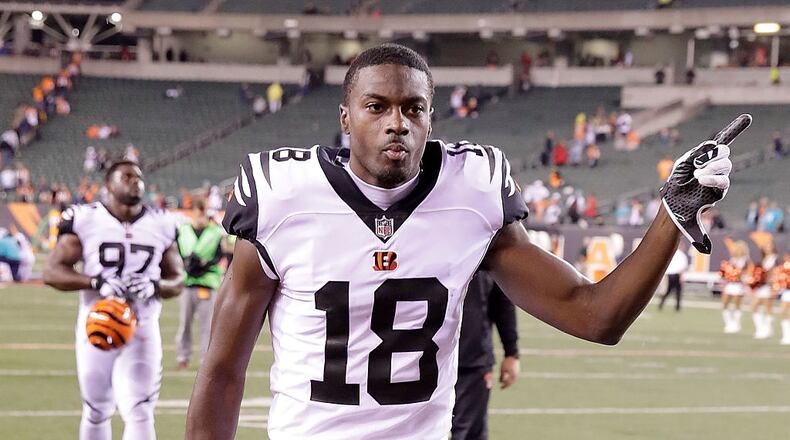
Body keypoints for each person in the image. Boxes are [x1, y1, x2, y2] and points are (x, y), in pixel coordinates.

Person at [185, 43, 735, 439]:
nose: (396, 123)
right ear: (346, 118)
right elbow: (223, 369)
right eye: (377, 107)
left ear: (431, 118)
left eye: (413, 108)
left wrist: (670, 216)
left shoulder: (471, 192)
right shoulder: (283, 197)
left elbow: (596, 317)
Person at [43, 160, 184, 440]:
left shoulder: (162, 223)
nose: (136, 182)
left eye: (139, 177)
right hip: (98, 322)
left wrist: (155, 286)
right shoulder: (86, 218)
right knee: (96, 408)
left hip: (142, 325)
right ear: (109, 185)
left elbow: (178, 279)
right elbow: (51, 272)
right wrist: (95, 282)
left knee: (140, 409)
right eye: (127, 176)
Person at [452, 270, 519, 440]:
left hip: (471, 360)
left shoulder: (483, 248)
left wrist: (512, 352)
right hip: (429, 363)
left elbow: (502, 300)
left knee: (469, 432)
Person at [175, 198, 225, 370]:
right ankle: (183, 357)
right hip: (187, 282)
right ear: (193, 213)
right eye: (198, 212)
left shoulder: (215, 232)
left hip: (207, 282)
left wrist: (204, 264)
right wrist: (186, 263)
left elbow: (219, 256)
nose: (200, 216)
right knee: (185, 324)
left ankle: (205, 361)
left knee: (207, 326)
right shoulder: (183, 231)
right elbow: (177, 253)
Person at [749, 241, 779, 339]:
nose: (767, 248)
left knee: (767, 308)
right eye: (766, 246)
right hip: (761, 286)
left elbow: (776, 273)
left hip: (769, 286)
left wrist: (774, 286)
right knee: (754, 306)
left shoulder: (775, 259)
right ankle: (760, 329)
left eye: (769, 246)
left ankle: (767, 330)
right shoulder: (764, 259)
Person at [719, 240, 750, 333]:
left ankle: (737, 324)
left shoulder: (745, 260)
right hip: (730, 284)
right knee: (724, 304)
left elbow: (746, 272)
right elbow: (727, 271)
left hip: (739, 285)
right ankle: (729, 323)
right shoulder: (732, 259)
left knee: (737, 305)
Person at [658, 245, 688, 311]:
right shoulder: (682, 255)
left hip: (669, 274)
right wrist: (681, 276)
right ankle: (677, 307)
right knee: (678, 291)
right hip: (676, 274)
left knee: (668, 291)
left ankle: (661, 304)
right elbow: (682, 267)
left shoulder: (672, 253)